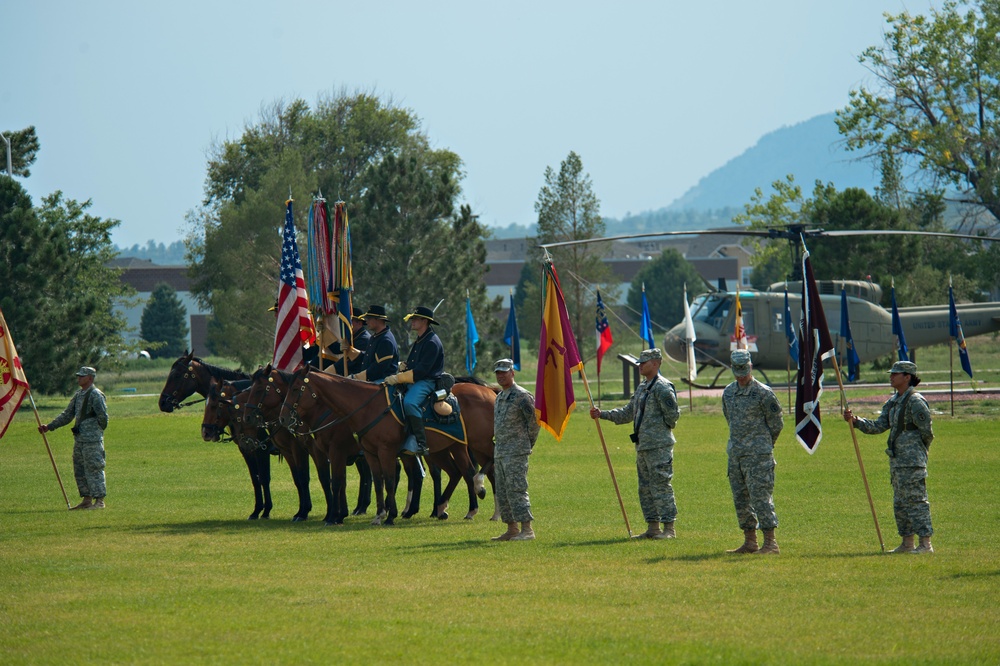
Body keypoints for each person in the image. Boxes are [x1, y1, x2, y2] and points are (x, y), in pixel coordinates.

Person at [843, 360, 935, 554]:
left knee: (916, 501)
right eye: (891, 373)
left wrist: (919, 453)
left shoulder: (916, 401)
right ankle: (907, 543)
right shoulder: (893, 402)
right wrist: (856, 421)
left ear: (907, 377)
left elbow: (927, 432)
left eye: (896, 373)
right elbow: (878, 426)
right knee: (900, 503)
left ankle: (925, 544)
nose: (891, 377)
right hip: (897, 461)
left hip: (912, 462)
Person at [590, 348, 680, 540]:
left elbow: (673, 416)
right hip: (642, 446)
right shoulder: (642, 387)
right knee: (645, 488)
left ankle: (669, 529)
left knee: (661, 485)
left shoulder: (662, 387)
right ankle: (653, 527)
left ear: (655, 363)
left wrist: (659, 433)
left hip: (658, 446)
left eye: (644, 362)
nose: (640, 366)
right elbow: (628, 413)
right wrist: (603, 414)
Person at [721, 349, 784, 554]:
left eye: (744, 370)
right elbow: (729, 419)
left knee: (761, 498)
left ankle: (770, 543)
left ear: (750, 367)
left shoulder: (763, 393)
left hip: (759, 456)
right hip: (736, 455)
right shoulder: (729, 392)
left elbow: (776, 424)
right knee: (741, 499)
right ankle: (750, 541)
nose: (741, 375)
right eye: (737, 370)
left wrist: (763, 444)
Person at [38, 366, 109, 510]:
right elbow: (67, 415)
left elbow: (103, 417)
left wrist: (95, 431)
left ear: (90, 378)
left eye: (82, 376)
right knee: (80, 469)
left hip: (92, 440)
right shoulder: (79, 395)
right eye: (78, 376)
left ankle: (99, 501)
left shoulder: (96, 394)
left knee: (94, 468)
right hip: (80, 439)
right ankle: (87, 499)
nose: (79, 378)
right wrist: (50, 426)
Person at [491, 358, 541, 541]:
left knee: (517, 489)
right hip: (501, 451)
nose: (500, 375)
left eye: (504, 371)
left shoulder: (522, 396)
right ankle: (511, 528)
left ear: (513, 373)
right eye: (498, 372)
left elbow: (534, 422)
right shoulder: (499, 397)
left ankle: (527, 530)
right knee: (503, 491)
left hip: (517, 451)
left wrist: (527, 443)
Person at [385, 306, 444, 456]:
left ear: (424, 321)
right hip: (416, 379)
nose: (412, 321)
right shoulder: (421, 339)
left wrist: (398, 377)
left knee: (409, 403)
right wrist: (404, 365)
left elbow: (422, 371)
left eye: (415, 319)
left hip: (427, 381)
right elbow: (415, 364)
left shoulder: (431, 341)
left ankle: (421, 443)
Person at [349, 305, 399, 383]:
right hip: (372, 380)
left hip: (382, 382)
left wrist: (356, 377)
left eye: (369, 318)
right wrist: (350, 351)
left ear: (378, 320)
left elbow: (378, 368)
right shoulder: (376, 337)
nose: (366, 321)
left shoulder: (386, 340)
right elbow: (368, 357)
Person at [323, 307, 371, 376]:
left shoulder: (364, 339)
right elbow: (336, 349)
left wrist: (330, 371)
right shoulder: (354, 336)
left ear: (359, 323)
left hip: (357, 378)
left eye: (350, 321)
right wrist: (324, 332)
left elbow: (350, 361)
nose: (347, 324)